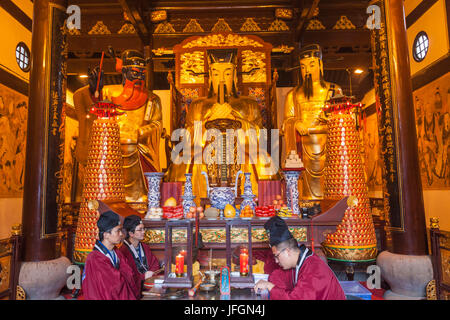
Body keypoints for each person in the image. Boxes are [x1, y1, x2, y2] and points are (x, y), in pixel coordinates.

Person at [73, 48, 162, 203]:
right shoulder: (108, 93)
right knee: (108, 196)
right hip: (110, 154)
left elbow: (156, 124)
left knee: (139, 200)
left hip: (137, 153)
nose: (139, 76)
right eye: (135, 72)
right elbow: (91, 112)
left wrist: (137, 133)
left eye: (142, 72)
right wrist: (94, 91)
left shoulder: (152, 99)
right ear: (124, 72)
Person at [282, 44, 342, 200]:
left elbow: (343, 119)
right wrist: (295, 123)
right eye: (303, 67)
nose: (307, 70)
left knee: (332, 181)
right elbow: (285, 123)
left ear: (321, 65)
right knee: (306, 191)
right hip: (304, 148)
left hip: (329, 146)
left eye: (312, 65)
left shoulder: (334, 90)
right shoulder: (293, 95)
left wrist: (330, 122)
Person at [254, 216, 345, 300]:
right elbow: (279, 277)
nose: (276, 261)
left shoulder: (314, 269)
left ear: (287, 251)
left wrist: (270, 287)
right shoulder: (299, 262)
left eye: (277, 256)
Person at [82, 210, 139, 300]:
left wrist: (122, 274)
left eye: (121, 230)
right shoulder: (95, 258)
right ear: (106, 235)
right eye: (117, 231)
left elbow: (130, 274)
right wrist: (122, 274)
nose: (121, 234)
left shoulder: (117, 252)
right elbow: (114, 285)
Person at [119, 215, 161, 297]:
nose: (143, 232)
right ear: (131, 233)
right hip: (136, 289)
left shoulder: (144, 247)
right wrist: (143, 276)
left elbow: (155, 264)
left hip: (149, 284)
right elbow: (128, 276)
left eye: (143, 228)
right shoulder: (123, 251)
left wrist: (151, 274)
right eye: (140, 230)